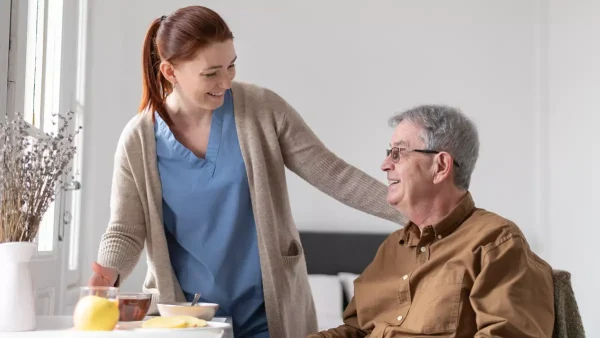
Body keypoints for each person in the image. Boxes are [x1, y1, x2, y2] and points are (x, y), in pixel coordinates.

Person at [87, 5, 405, 338]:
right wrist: (106, 275)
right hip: (187, 316)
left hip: (268, 312)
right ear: (170, 72)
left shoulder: (262, 109)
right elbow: (125, 228)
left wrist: (412, 211)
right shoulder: (138, 139)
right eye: (211, 73)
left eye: (231, 65)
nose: (225, 82)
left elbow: (334, 174)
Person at [308, 105, 555, 338]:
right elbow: (357, 331)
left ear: (440, 166)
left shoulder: (496, 242)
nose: (385, 165)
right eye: (388, 153)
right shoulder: (392, 247)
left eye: (398, 153)